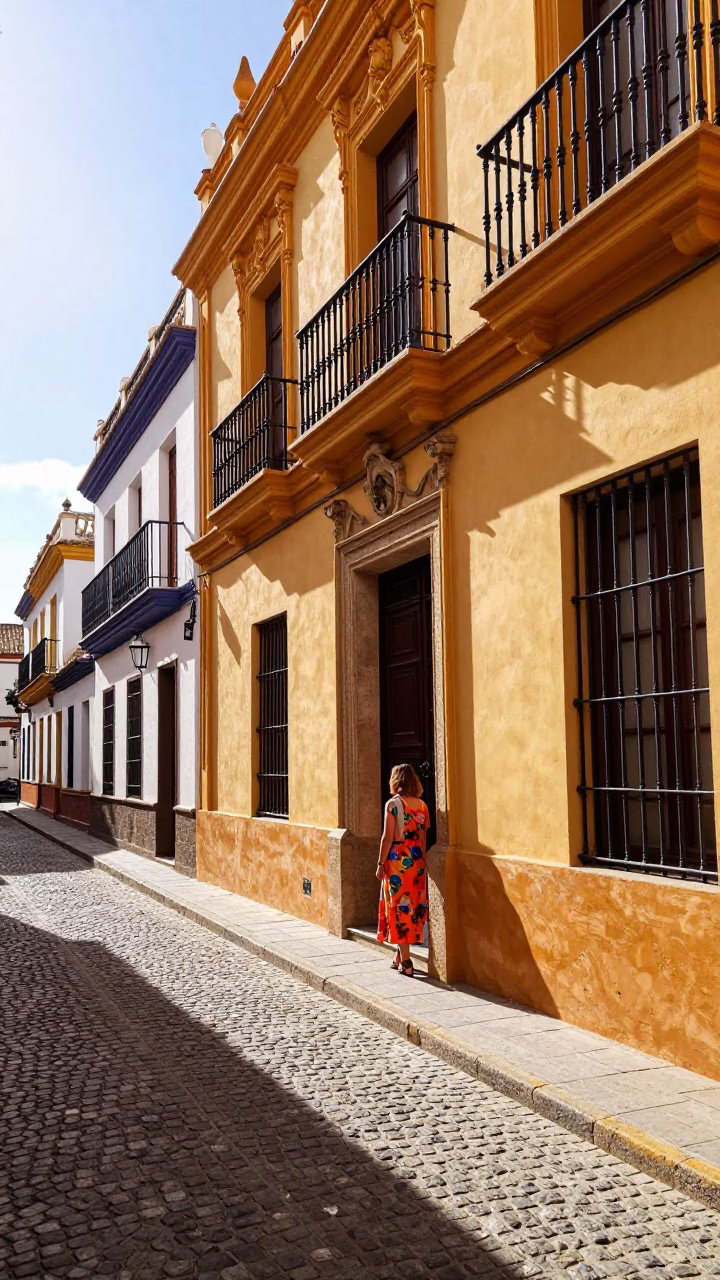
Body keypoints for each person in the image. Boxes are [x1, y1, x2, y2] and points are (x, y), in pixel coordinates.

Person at [376, 763, 429, 978]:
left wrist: (380, 863)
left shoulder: (393, 805)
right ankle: (399, 954)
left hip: (397, 862)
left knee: (398, 909)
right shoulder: (422, 807)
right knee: (411, 907)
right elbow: (423, 840)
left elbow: (388, 837)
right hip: (416, 864)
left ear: (396, 781)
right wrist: (421, 863)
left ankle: (407, 961)